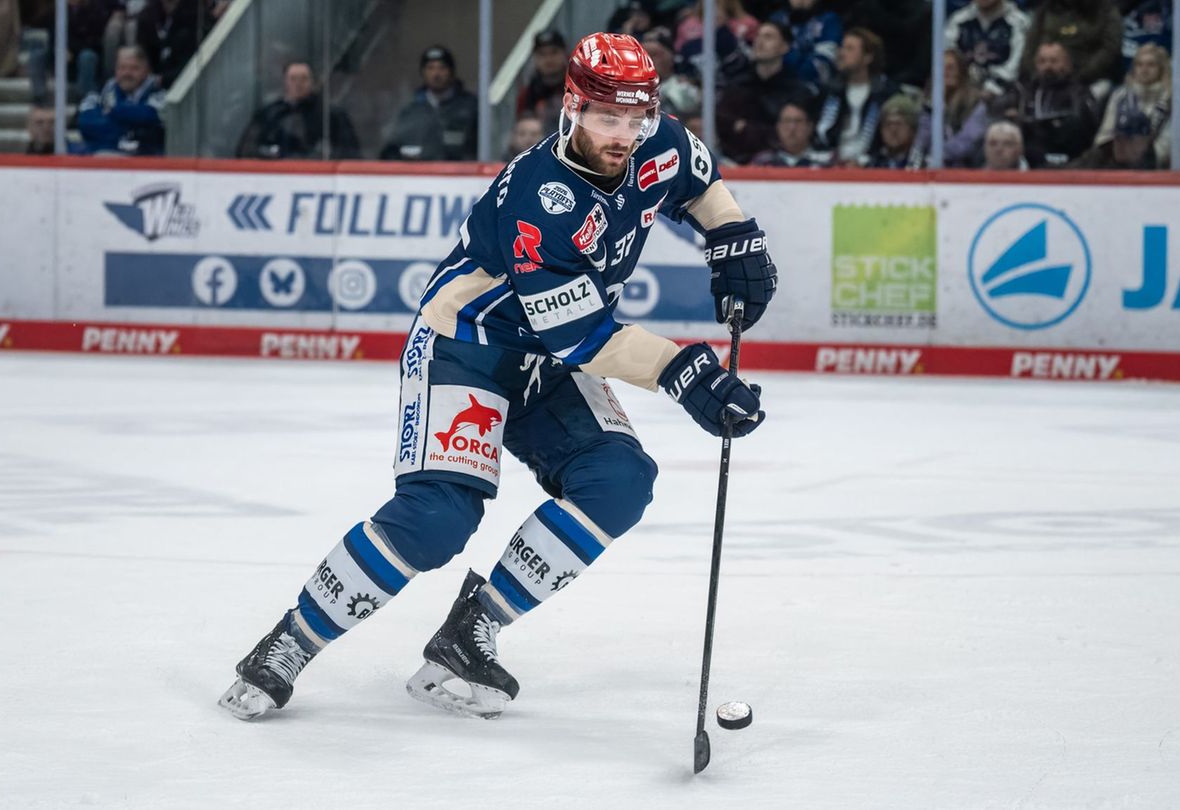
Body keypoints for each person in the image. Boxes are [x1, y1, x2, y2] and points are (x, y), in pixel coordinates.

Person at [219, 32, 776, 723]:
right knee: (437, 518)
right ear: (571, 107)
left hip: (548, 357)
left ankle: (469, 632)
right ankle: (289, 643)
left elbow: (698, 177)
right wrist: (685, 372)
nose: (624, 136)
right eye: (608, 119)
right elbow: (583, 337)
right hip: (468, 346)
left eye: (635, 120)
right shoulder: (542, 198)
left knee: (620, 480)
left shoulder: (657, 139)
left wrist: (732, 237)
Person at [716, 19, 814, 165]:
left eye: (768, 37)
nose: (759, 42)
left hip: (782, 165)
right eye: (758, 36)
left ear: (785, 47)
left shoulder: (798, 90)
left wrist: (747, 128)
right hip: (734, 164)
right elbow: (723, 124)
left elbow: (793, 134)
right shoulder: (737, 85)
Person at [993, 41, 1098, 168]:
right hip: (1030, 160)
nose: (1048, 66)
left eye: (1054, 61)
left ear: (1067, 64)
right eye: (1042, 61)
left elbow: (1083, 128)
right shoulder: (1025, 91)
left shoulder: (1079, 93)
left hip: (1072, 161)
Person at [235, 61, 361, 159]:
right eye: (293, 79)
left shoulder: (331, 115)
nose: (298, 84)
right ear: (285, 82)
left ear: (313, 82)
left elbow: (349, 151)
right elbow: (247, 148)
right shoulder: (270, 113)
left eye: (303, 79)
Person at [379, 45, 478, 162]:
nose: (436, 74)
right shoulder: (411, 112)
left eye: (442, 68)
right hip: (420, 177)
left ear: (451, 72)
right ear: (423, 72)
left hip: (460, 177)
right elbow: (391, 151)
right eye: (430, 68)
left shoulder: (471, 108)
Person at [814, 27, 894, 166]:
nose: (842, 53)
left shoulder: (884, 94)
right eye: (842, 47)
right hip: (830, 164)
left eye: (850, 49)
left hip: (872, 166)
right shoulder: (829, 91)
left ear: (867, 57)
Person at [1094, 43, 1176, 166]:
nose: (1144, 69)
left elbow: (1167, 143)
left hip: (1153, 164)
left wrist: (1143, 158)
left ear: (1161, 68)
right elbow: (1105, 134)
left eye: (1151, 65)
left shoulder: (1173, 99)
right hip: (1117, 160)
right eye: (1139, 64)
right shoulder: (1120, 95)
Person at [75, 45, 165, 155]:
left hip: (142, 161)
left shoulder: (158, 91)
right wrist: (126, 127)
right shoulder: (104, 88)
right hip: (101, 156)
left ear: (147, 70)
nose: (127, 73)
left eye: (134, 68)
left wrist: (112, 111)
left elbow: (148, 116)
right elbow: (84, 122)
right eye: (122, 68)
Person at [913, 48, 991, 168]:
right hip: (930, 168)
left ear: (961, 71)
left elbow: (968, 141)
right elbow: (921, 140)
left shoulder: (975, 104)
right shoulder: (928, 103)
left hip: (964, 170)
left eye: (950, 67)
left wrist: (937, 155)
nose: (945, 72)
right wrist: (932, 107)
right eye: (941, 67)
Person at [1021, 0, 1122, 90]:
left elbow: (1110, 48)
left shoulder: (1105, 10)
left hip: (1088, 79)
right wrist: (1034, 72)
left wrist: (1082, 75)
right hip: (1044, 76)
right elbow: (1031, 45)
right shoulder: (1047, 8)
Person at [944, 0, 1032, 95]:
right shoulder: (958, 21)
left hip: (1005, 93)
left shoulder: (1020, 22)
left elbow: (1015, 66)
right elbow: (948, 58)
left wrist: (993, 87)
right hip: (963, 91)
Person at [771, 0, 842, 87]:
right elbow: (766, 59)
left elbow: (823, 65)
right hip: (773, 84)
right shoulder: (777, 18)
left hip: (812, 87)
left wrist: (786, 57)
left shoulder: (829, 20)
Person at [1069, 105, 1158, 170]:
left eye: (1128, 139)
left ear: (1144, 141)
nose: (1119, 144)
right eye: (1118, 137)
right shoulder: (1101, 155)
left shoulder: (1155, 170)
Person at [135, 0, 198, 89]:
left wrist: (164, 79)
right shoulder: (147, 15)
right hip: (152, 81)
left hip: (182, 81)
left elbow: (191, 63)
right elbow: (143, 54)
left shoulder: (195, 15)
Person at [752, 99, 834, 167]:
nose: (792, 128)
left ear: (810, 127)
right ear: (778, 127)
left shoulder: (827, 160)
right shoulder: (763, 162)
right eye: (786, 121)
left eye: (798, 121)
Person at [639, 27, 700, 119]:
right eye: (644, 56)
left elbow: (690, 109)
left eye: (654, 55)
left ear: (670, 57)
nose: (649, 61)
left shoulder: (684, 86)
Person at [517, 29, 568, 123]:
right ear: (535, 58)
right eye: (542, 54)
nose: (548, 59)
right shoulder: (528, 93)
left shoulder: (578, 86)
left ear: (564, 53)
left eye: (554, 52)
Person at [866, 93, 920, 169]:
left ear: (912, 129)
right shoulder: (872, 164)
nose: (893, 130)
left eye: (898, 124)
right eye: (888, 124)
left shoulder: (922, 164)